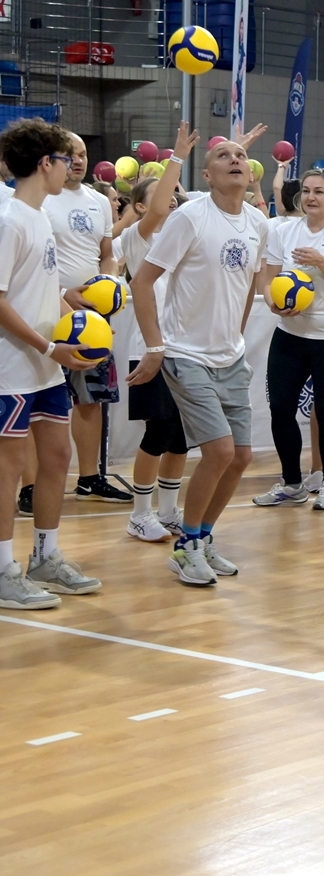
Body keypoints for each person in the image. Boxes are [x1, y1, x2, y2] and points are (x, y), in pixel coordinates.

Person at [129, 136, 270, 587]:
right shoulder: (189, 217)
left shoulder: (258, 223)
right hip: (185, 353)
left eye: (241, 155)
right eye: (223, 156)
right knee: (219, 451)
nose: (235, 159)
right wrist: (156, 347)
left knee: (241, 457)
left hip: (230, 356)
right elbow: (142, 282)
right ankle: (186, 546)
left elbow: (248, 287)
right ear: (206, 176)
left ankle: (203, 536)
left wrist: (236, 337)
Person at [0, 118, 103, 610]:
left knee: (57, 457)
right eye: (66, 159)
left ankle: (45, 557)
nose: (71, 167)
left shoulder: (39, 216)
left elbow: (44, 291)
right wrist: (47, 348)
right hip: (11, 368)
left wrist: (84, 328)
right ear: (46, 163)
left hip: (45, 365)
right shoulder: (9, 219)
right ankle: (3, 569)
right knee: (8, 467)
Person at [251, 168, 324, 511]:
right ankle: (292, 483)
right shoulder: (284, 231)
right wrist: (273, 303)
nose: (311, 197)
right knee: (280, 410)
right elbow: (268, 279)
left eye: (319, 191)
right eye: (306, 191)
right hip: (291, 334)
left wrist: (321, 262)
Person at [117, 124, 198, 542]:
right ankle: (140, 514)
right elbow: (157, 211)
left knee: (181, 437)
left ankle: (167, 511)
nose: (174, 198)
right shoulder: (138, 236)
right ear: (139, 206)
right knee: (158, 431)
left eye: (177, 193)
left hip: (186, 349)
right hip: (151, 347)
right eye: (165, 193)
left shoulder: (184, 235)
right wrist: (177, 158)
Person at [43, 131, 130, 505]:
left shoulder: (98, 201)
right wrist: (64, 295)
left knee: (91, 399)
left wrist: (107, 282)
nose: (77, 160)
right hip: (45, 314)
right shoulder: (39, 199)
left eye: (81, 153)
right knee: (41, 402)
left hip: (92, 319)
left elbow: (106, 254)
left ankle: (89, 477)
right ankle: (32, 486)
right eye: (69, 154)